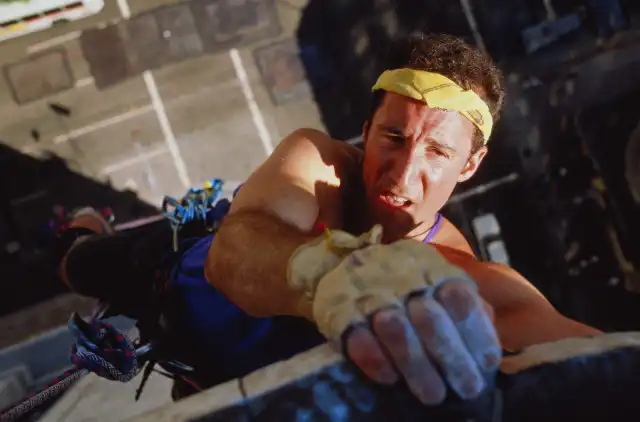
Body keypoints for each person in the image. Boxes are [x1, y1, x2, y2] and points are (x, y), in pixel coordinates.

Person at [59, 33, 600, 404]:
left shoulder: (457, 271)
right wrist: (327, 274)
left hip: (214, 378)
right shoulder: (319, 163)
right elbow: (237, 250)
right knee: (77, 265)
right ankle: (86, 225)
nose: (403, 173)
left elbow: (574, 348)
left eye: (438, 152)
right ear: (365, 130)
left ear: (471, 165)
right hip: (166, 279)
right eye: (393, 137)